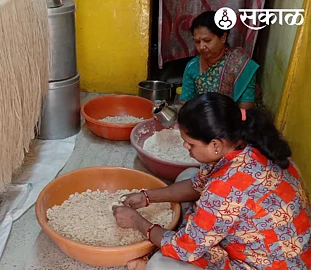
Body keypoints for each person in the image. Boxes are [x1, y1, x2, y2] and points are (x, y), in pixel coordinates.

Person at [113, 92, 311, 269]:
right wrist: (146, 197)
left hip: (270, 264)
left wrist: (136, 221)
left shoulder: (225, 186)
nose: (184, 146)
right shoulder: (245, 143)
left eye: (190, 143)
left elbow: (184, 249)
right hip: (271, 243)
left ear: (215, 144)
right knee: (188, 174)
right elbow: (195, 185)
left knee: (160, 265)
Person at [179, 11, 259, 109]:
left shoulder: (242, 66)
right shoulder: (193, 66)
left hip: (233, 120)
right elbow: (185, 103)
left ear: (223, 38)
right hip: (201, 119)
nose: (201, 47)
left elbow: (245, 109)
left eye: (207, 40)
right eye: (197, 42)